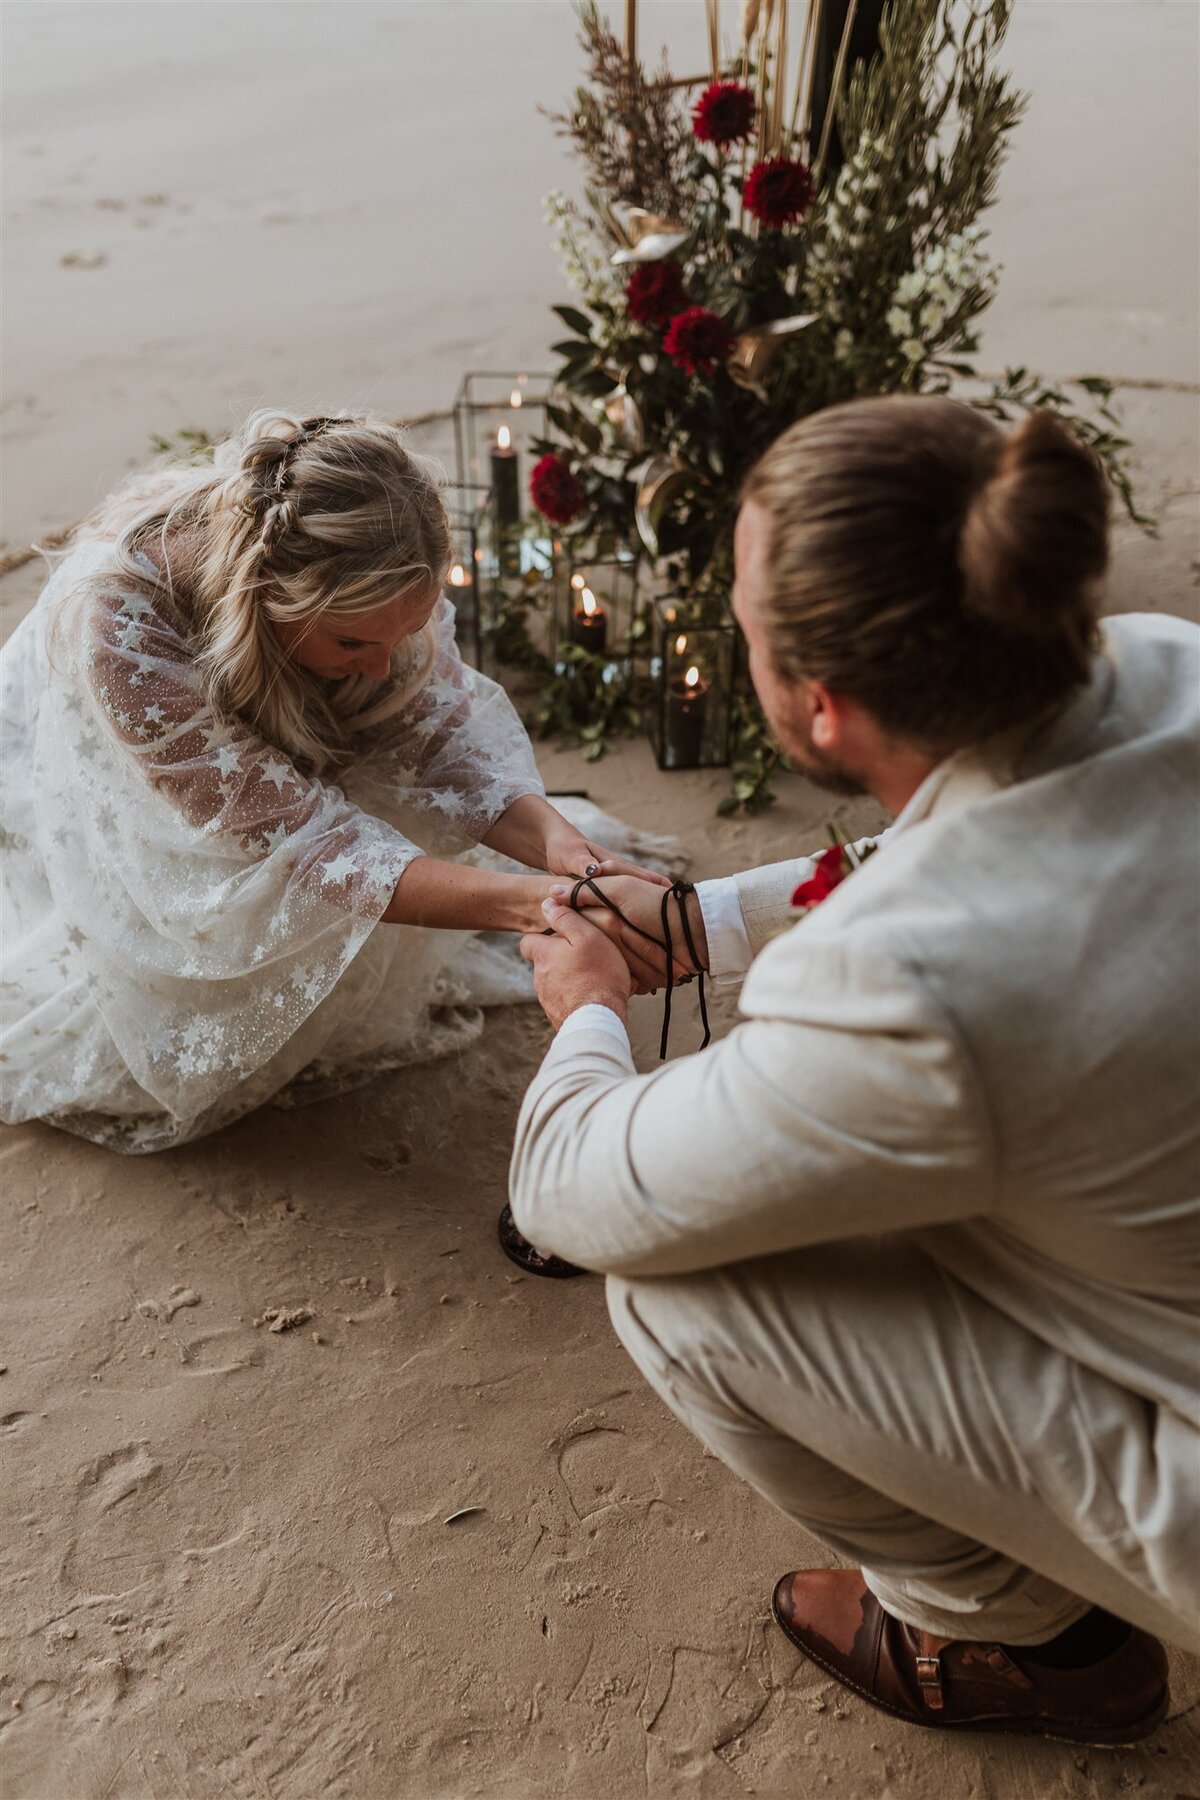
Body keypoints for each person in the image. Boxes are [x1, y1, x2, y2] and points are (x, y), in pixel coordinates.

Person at [509, 396, 1199, 1744]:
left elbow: (569, 1187)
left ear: (816, 708)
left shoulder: (907, 989)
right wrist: (708, 922)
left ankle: (1025, 1642)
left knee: (680, 1293)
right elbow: (994, 826)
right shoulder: (1169, 663)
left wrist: (586, 1004)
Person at [0, 410, 669, 1151]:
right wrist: (546, 907)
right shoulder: (120, 626)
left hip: (275, 765)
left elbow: (444, 742)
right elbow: (306, 845)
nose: (383, 667)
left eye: (401, 635)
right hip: (144, 807)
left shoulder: (387, 563)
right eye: (352, 640)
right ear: (266, 596)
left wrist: (566, 852)